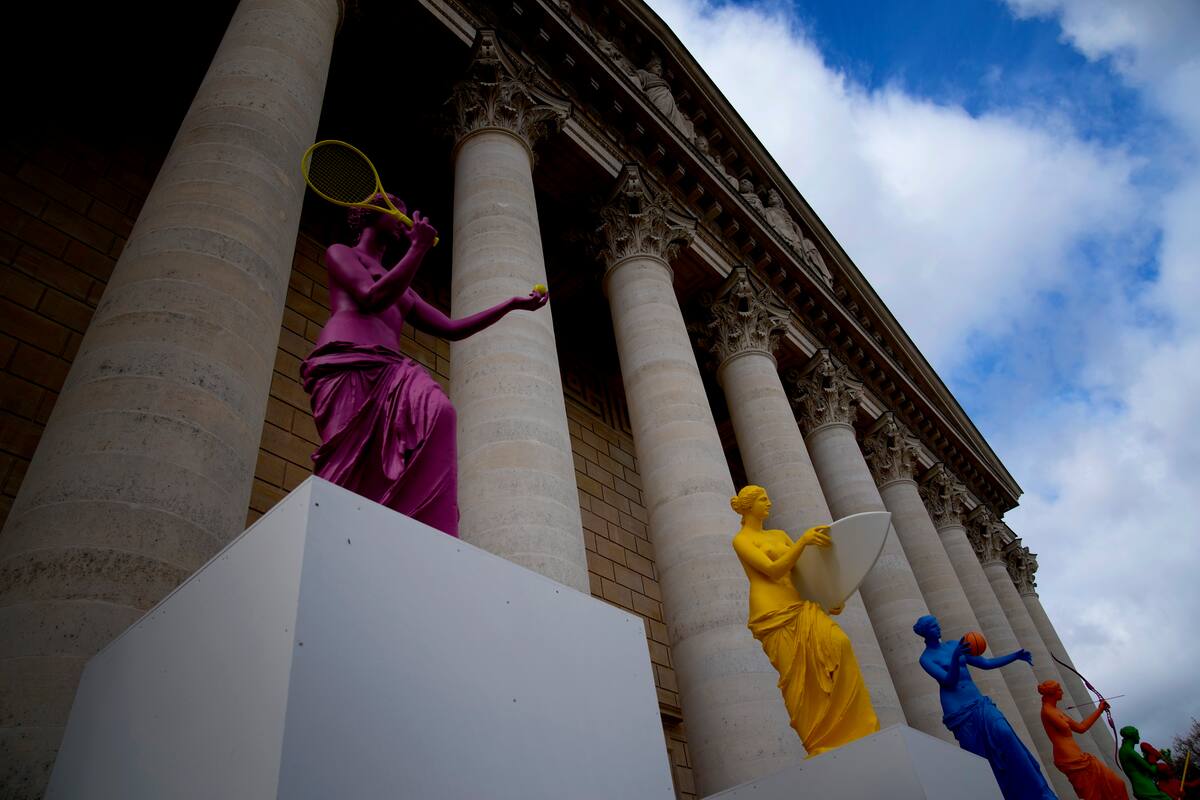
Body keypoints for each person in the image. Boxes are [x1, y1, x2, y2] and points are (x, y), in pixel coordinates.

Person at [300, 195, 548, 536]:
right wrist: (418, 249)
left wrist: (510, 305)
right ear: (372, 214)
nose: (403, 220)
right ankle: (338, 530)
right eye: (396, 212)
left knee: (440, 411)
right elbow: (371, 296)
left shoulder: (402, 285)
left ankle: (433, 530)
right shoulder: (342, 253)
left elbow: (451, 328)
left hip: (391, 367)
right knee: (352, 459)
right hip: (347, 361)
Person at [730, 485, 879, 757]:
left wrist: (827, 596)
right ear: (749, 506)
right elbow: (773, 570)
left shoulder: (778, 535)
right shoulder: (742, 540)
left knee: (840, 644)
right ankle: (818, 739)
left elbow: (801, 573)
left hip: (800, 606)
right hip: (772, 615)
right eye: (763, 499)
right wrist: (803, 541)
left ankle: (855, 728)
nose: (769, 503)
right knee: (798, 681)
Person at [914, 614, 1057, 800]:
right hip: (959, 712)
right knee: (980, 757)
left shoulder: (953, 645)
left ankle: (1039, 792)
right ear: (925, 632)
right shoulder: (926, 658)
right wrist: (956, 658)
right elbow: (949, 681)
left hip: (979, 702)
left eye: (937, 624)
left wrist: (1015, 656)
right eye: (934, 627)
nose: (938, 628)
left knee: (1005, 734)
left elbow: (985, 663)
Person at [1038, 680, 1128, 799]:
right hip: (1069, 759)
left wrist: (1100, 709)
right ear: (1052, 693)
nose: (1062, 692)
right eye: (1059, 690)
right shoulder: (1047, 711)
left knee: (1118, 784)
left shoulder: (1056, 711)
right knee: (1093, 796)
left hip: (1080, 757)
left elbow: (1081, 728)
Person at [1120, 727, 1173, 800]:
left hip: (1140, 787)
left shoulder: (1124, 750)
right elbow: (1152, 770)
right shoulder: (1130, 752)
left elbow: (1140, 767)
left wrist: (1151, 756)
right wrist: (1153, 758)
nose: (1139, 737)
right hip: (1145, 787)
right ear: (1132, 736)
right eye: (1137, 735)